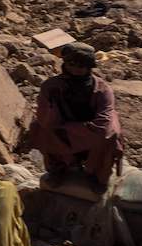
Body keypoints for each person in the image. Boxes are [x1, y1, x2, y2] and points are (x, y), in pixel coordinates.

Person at [24, 43, 124, 193]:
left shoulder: (102, 89)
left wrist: (73, 130)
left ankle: (96, 175)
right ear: (65, 63)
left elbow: (104, 121)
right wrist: (56, 118)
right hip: (63, 127)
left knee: (110, 135)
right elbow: (45, 116)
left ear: (89, 67)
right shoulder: (50, 87)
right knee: (42, 129)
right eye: (72, 64)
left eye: (82, 65)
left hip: (91, 128)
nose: (77, 69)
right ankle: (59, 169)